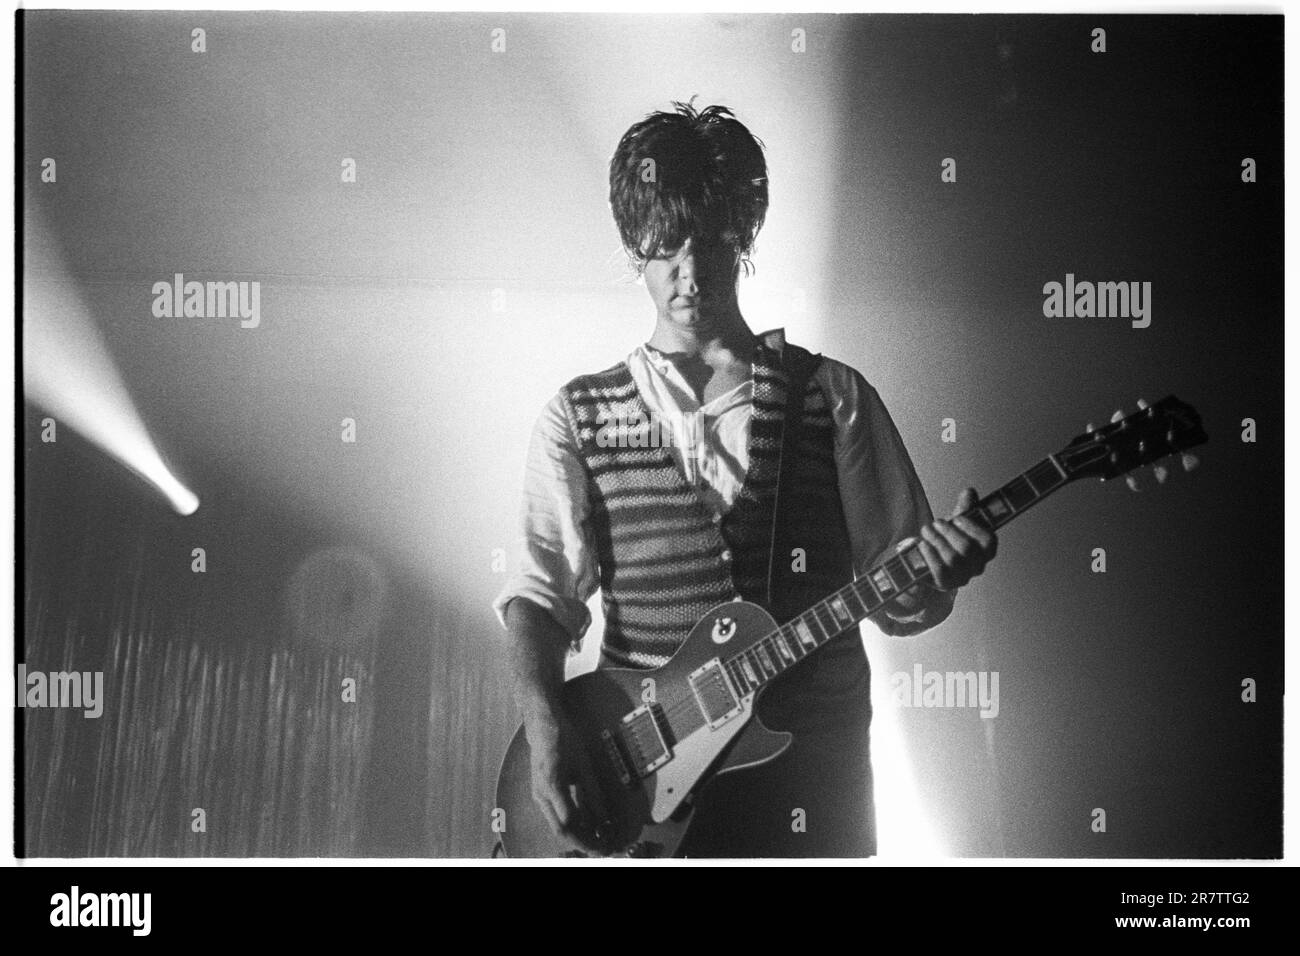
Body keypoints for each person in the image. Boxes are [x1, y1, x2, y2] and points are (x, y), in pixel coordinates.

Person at [492, 100, 997, 857]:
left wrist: (940, 575)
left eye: (709, 244)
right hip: (642, 802)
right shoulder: (579, 414)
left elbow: (902, 592)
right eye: (666, 247)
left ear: (743, 238)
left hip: (811, 791)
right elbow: (540, 599)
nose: (688, 272)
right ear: (636, 246)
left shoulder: (833, 395)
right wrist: (547, 731)